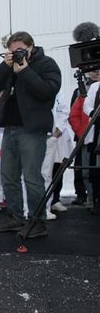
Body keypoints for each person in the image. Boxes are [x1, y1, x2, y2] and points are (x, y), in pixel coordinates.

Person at [0, 31, 62, 236]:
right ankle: (15, 217)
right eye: (11, 52)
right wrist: (6, 64)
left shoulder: (47, 64)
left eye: (19, 50)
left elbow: (48, 91)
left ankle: (37, 222)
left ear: (31, 47)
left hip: (32, 129)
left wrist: (26, 71)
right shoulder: (10, 66)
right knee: (8, 177)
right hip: (9, 128)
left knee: (32, 177)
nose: (16, 54)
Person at [70, 69, 100, 210]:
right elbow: (76, 113)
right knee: (89, 170)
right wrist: (82, 132)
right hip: (90, 136)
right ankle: (91, 198)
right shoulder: (87, 90)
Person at [41, 96, 74, 219]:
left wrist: (58, 130)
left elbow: (64, 113)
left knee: (56, 170)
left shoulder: (59, 96)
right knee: (43, 173)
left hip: (57, 137)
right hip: (41, 136)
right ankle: (36, 206)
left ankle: (54, 200)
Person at [83, 75, 100, 214]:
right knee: (94, 169)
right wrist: (94, 113)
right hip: (96, 133)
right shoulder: (95, 87)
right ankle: (95, 199)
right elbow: (86, 105)